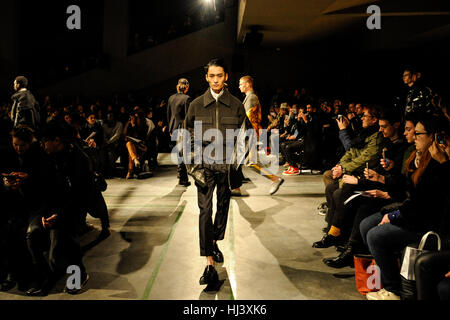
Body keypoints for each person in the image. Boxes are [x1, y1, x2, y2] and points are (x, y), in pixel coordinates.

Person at [360, 114, 450, 300]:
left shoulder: (438, 164)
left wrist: (394, 216)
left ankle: (393, 290)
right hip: (412, 212)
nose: (414, 137)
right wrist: (386, 175)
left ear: (432, 137)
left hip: (425, 222)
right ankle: (385, 279)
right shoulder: (416, 157)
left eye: (418, 133)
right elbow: (408, 192)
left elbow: (425, 205)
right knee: (365, 224)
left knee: (374, 234)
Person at [184, 58, 246, 286]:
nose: (216, 79)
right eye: (212, 76)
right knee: (204, 211)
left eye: (220, 75)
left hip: (226, 168)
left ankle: (214, 240)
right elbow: (187, 137)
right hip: (204, 166)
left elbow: (244, 137)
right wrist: (194, 167)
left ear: (226, 77)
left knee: (222, 209)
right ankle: (209, 262)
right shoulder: (196, 105)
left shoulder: (237, 105)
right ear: (207, 78)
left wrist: (237, 162)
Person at [167, 78, 192, 186]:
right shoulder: (187, 98)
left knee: (179, 152)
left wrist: (170, 129)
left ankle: (181, 174)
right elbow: (188, 116)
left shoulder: (171, 98)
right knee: (183, 153)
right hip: (183, 128)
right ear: (186, 87)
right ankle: (182, 178)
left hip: (174, 128)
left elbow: (168, 114)